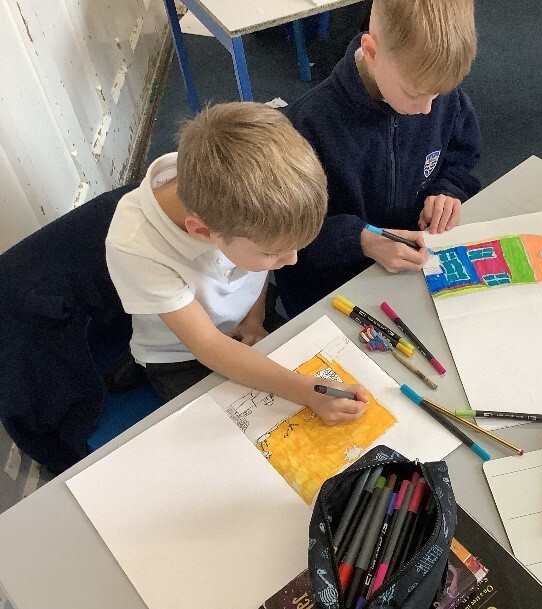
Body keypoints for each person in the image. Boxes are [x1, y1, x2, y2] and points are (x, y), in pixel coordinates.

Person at [106, 102, 368, 423]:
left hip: (244, 317)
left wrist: (254, 319)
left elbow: (254, 269)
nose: (292, 260)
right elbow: (208, 346)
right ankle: (141, 363)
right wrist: (305, 391)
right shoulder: (134, 243)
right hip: (181, 354)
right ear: (203, 231)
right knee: (239, 427)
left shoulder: (234, 198)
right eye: (273, 252)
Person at [275, 0, 482, 317]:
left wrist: (447, 189)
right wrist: (361, 240)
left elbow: (461, 155)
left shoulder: (437, 90)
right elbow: (283, 234)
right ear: (371, 52)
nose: (427, 108)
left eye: (438, 94)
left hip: (409, 273)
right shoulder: (307, 124)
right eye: (414, 94)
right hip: (333, 290)